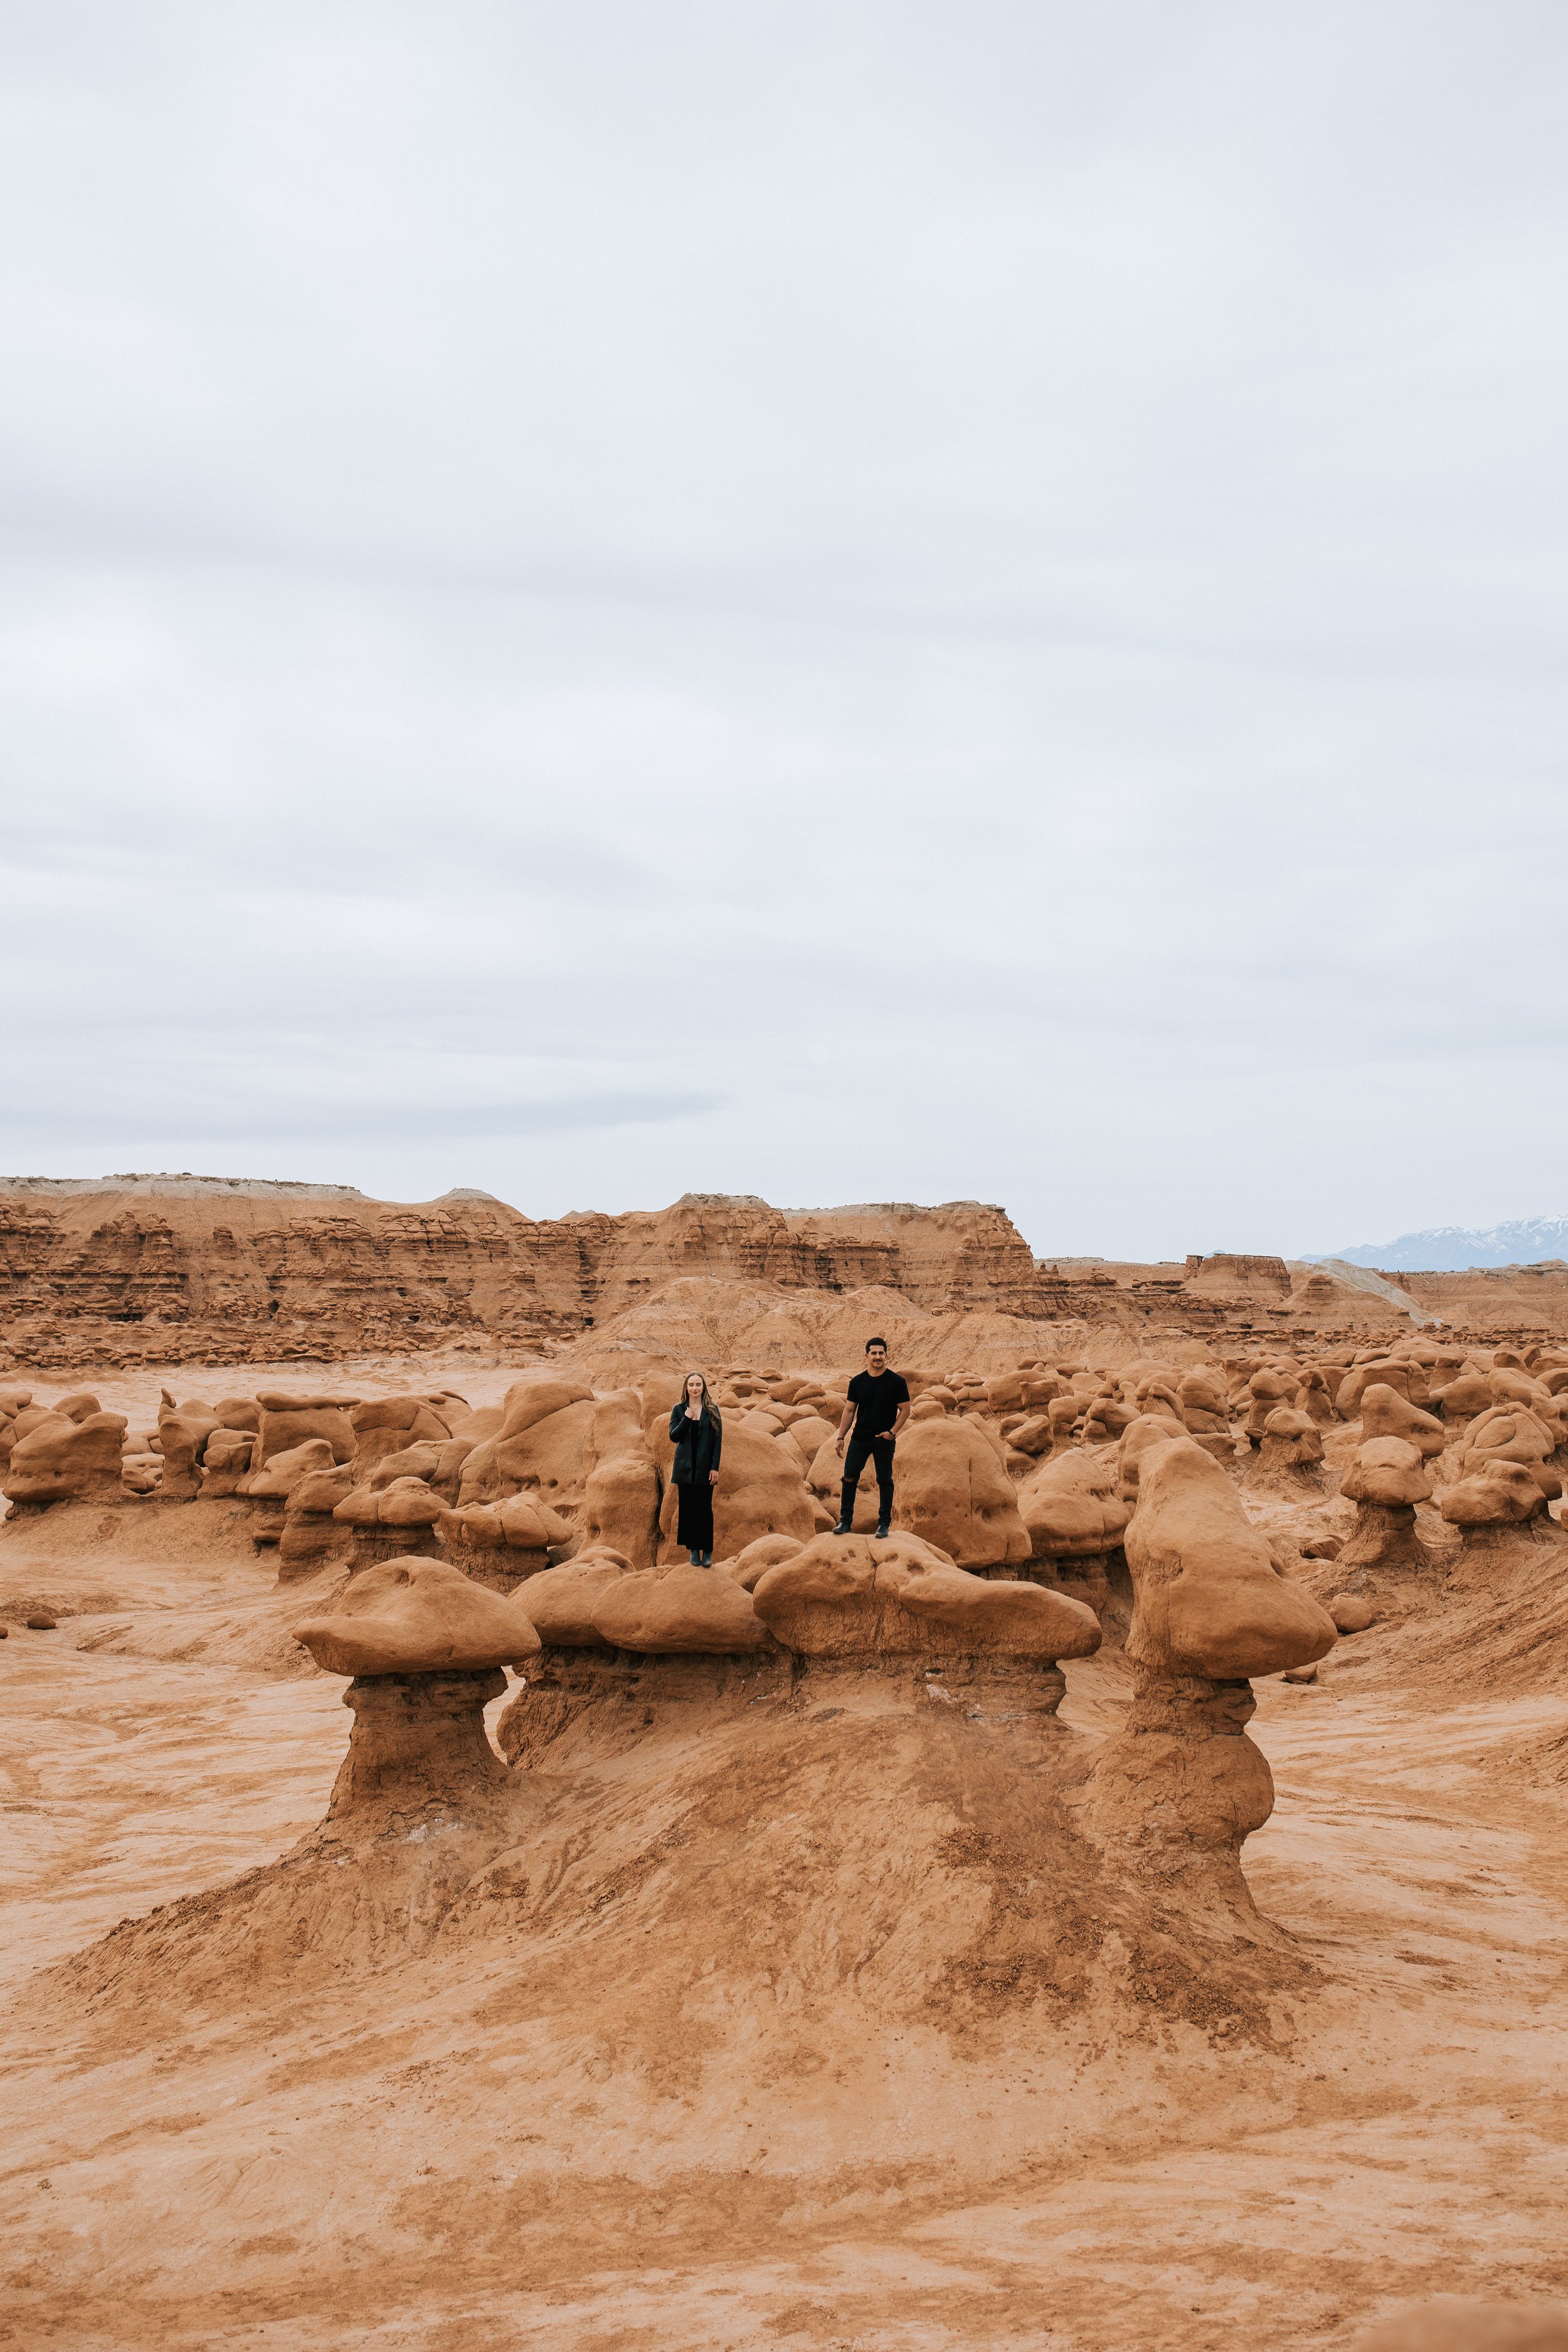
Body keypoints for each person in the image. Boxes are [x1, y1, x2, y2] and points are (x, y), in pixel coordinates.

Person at [832, 1336, 910, 1538]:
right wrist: (841, 1437)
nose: (878, 1357)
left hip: (883, 1440)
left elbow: (905, 1410)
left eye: (881, 1353)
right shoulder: (857, 1382)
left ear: (886, 1355)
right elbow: (849, 1411)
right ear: (866, 1356)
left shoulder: (897, 1382)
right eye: (874, 1353)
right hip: (860, 1438)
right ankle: (845, 1522)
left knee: (885, 1480)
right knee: (849, 1478)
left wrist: (891, 1433)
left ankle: (884, 1524)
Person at [668, 1370, 722, 1565]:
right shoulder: (679, 1409)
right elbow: (674, 1436)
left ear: (704, 1387)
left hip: (705, 1469)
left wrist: (714, 1468)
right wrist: (687, 1418)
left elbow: (717, 1441)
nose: (695, 1388)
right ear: (686, 1388)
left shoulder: (713, 1410)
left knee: (705, 1510)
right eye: (691, 1385)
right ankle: (693, 1551)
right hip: (685, 1469)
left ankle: (707, 1552)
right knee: (688, 1510)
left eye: (698, 1385)